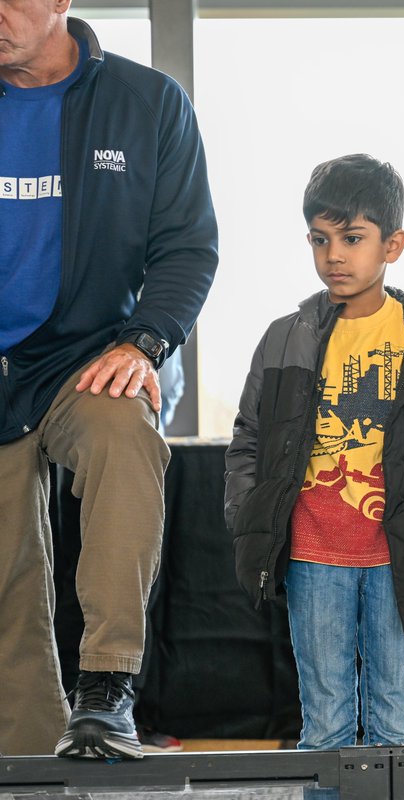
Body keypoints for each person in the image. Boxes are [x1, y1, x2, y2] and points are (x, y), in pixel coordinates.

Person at [0, 2, 218, 759]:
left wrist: (145, 343)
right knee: (8, 575)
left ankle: (107, 689)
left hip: (91, 355)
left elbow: (188, 247)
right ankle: (29, 757)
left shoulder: (147, 103)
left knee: (123, 431)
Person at [223, 154, 404, 749]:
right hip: (314, 554)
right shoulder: (283, 337)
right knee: (324, 727)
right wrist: (252, 514)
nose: (334, 256)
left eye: (352, 238)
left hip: (400, 558)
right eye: (320, 240)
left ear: (392, 244)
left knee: (396, 726)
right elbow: (248, 438)